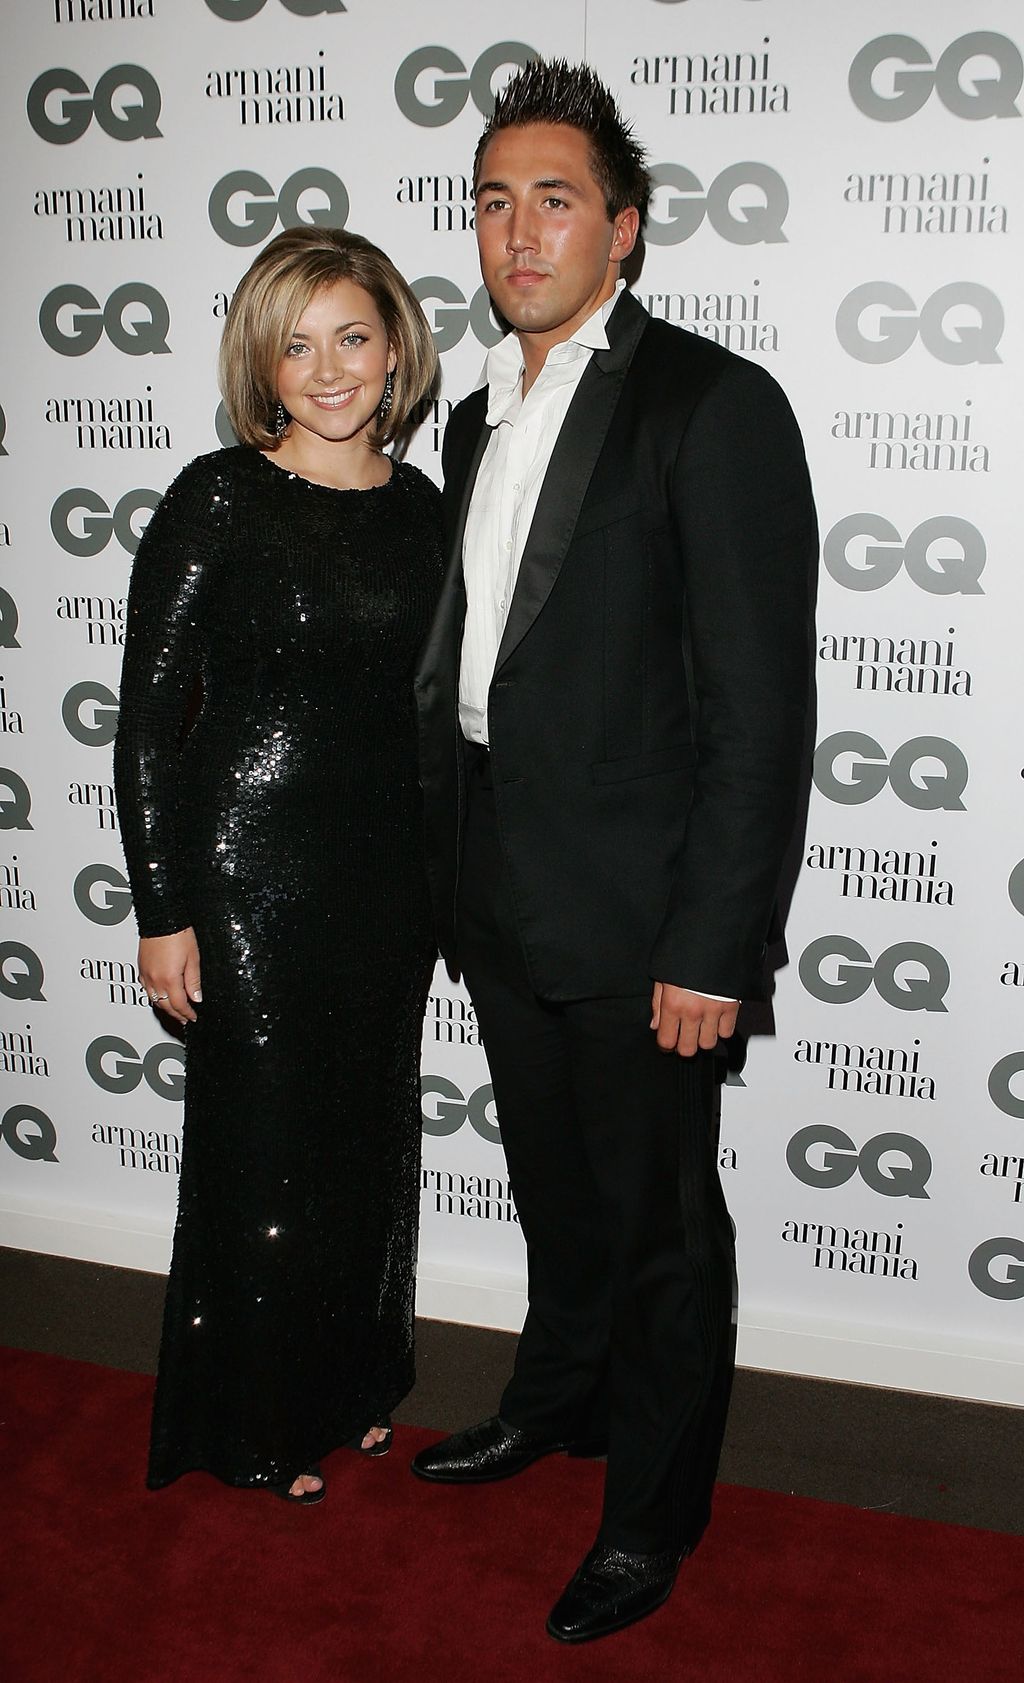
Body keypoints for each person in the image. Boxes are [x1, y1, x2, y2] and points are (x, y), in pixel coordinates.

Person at [412, 61, 817, 1640]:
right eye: (496, 200)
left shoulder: (712, 407)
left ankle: (651, 1510)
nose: (521, 230)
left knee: (659, 1231)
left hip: (648, 917)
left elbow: (757, 714)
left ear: (625, 232)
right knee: (554, 1192)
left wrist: (711, 944)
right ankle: (554, 1399)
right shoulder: (471, 414)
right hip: (500, 891)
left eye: (557, 199)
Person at [114, 226, 442, 1502]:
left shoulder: (421, 509)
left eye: (351, 336)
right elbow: (148, 716)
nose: (326, 369)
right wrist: (164, 907)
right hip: (248, 879)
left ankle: (353, 1385)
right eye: (295, 343)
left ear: (394, 346)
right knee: (267, 1155)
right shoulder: (218, 497)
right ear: (261, 359)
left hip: (386, 889)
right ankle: (252, 1425)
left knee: (366, 1145)